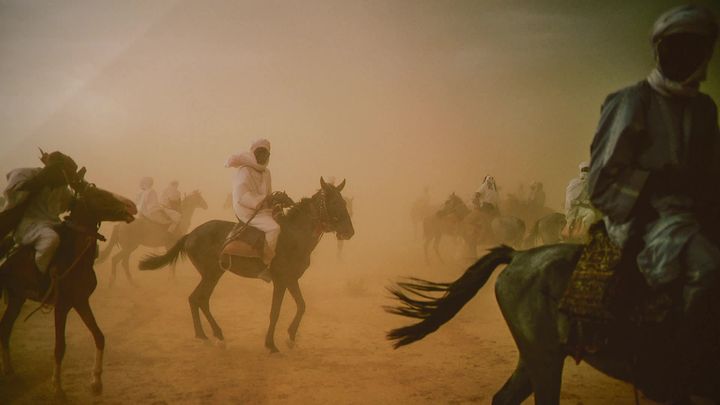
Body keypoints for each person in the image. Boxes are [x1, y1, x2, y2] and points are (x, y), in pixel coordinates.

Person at [586, 5, 719, 399]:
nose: (683, 57)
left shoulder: (705, 109)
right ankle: (675, 359)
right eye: (675, 48)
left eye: (693, 49)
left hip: (694, 209)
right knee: (708, 267)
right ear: (659, 51)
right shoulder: (630, 102)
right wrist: (656, 182)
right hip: (644, 213)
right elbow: (600, 182)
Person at [0, 150, 79, 295]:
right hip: (30, 225)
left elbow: (68, 204)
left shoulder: (62, 187)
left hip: (52, 223)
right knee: (51, 240)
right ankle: (37, 279)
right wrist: (33, 184)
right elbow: (13, 192)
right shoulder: (34, 178)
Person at [226, 138, 279, 282]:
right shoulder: (244, 170)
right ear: (253, 153)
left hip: (262, 208)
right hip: (246, 208)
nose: (263, 156)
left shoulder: (266, 172)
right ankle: (265, 265)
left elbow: (268, 193)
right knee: (274, 228)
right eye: (260, 152)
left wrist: (274, 202)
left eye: (265, 153)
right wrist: (258, 202)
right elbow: (241, 194)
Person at [563, 162, 598, 241]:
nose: (586, 173)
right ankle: (582, 234)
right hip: (575, 208)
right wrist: (583, 202)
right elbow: (571, 200)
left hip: (584, 206)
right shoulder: (576, 183)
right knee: (591, 214)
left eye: (588, 171)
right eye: (585, 170)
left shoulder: (589, 184)